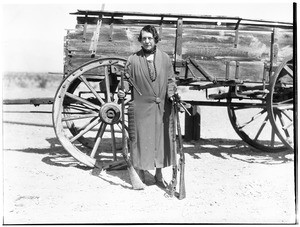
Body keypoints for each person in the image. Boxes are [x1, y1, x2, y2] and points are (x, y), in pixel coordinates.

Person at [120, 25, 177, 188]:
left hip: (161, 108)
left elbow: (171, 80)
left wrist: (172, 93)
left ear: (155, 39)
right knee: (140, 140)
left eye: (150, 38)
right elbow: (125, 80)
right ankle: (141, 173)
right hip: (140, 107)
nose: (147, 41)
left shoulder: (165, 59)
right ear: (140, 40)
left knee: (161, 140)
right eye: (144, 38)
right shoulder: (133, 59)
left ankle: (159, 175)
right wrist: (122, 90)